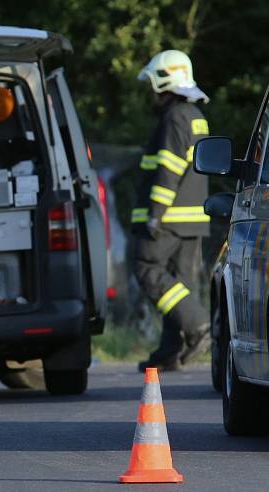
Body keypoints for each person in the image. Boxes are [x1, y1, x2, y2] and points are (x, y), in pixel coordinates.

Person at [131, 50, 211, 372]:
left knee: (147, 268)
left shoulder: (175, 117)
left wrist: (155, 213)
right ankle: (170, 350)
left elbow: (168, 169)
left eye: (153, 84)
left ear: (165, 83)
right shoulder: (194, 115)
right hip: (192, 220)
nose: (151, 92)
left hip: (169, 218)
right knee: (179, 284)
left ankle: (198, 324)